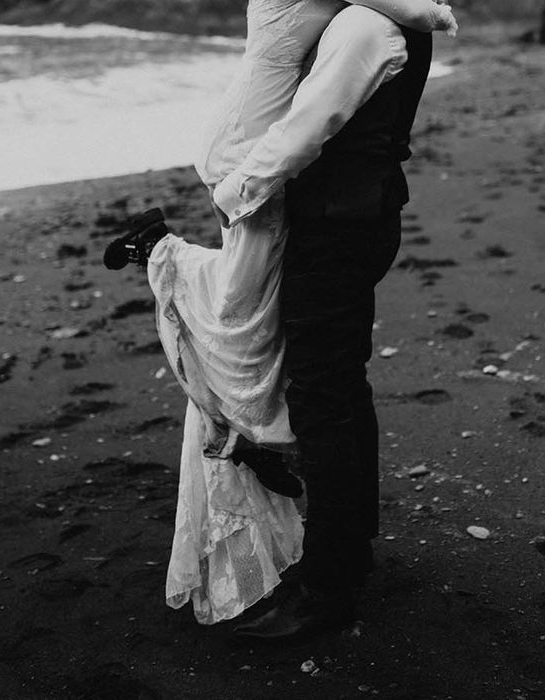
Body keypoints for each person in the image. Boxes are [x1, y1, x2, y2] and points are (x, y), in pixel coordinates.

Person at [142, 0, 457, 626]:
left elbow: (308, 126)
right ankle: (351, 550)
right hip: (348, 217)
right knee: (338, 386)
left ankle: (329, 587)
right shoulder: (386, 21)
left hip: (337, 228)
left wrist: (239, 191)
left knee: (323, 399)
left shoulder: (366, 29)